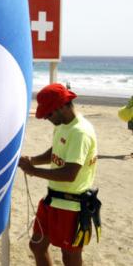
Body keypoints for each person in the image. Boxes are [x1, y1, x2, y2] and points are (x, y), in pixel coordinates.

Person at [18, 83, 101, 266]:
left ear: (62, 106)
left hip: (72, 205)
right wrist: (32, 160)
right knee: (37, 245)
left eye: (49, 114)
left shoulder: (80, 132)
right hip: (53, 199)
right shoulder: (63, 125)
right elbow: (55, 151)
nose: (47, 118)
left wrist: (33, 171)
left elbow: (70, 173)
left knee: (70, 256)